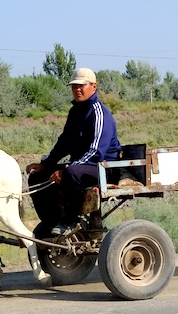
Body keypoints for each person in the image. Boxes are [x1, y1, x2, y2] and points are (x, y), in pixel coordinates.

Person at [26, 67, 121, 230]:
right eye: (74, 86)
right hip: (82, 165)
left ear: (93, 86)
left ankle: (70, 222)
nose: (77, 89)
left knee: (71, 174)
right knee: (37, 177)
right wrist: (47, 164)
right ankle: (52, 222)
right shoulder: (75, 111)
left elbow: (95, 153)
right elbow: (64, 142)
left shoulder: (99, 113)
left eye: (81, 85)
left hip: (103, 168)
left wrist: (66, 170)